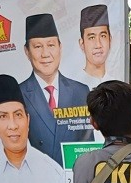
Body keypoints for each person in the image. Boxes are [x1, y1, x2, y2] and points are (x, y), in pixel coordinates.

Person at [0, 75, 66, 183]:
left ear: (28, 119)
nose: (13, 126)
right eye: (3, 116)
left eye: (18, 115)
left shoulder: (53, 172)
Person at [19, 13, 93, 164]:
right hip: (38, 179)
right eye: (38, 46)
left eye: (51, 45)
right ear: (27, 51)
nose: (45, 54)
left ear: (60, 47)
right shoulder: (18, 94)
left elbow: (87, 146)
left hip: (74, 177)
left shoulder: (81, 91)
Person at [75, 4, 113, 88]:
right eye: (91, 37)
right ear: (82, 44)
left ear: (110, 40)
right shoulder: (74, 86)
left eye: (103, 36)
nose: (98, 45)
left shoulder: (116, 85)